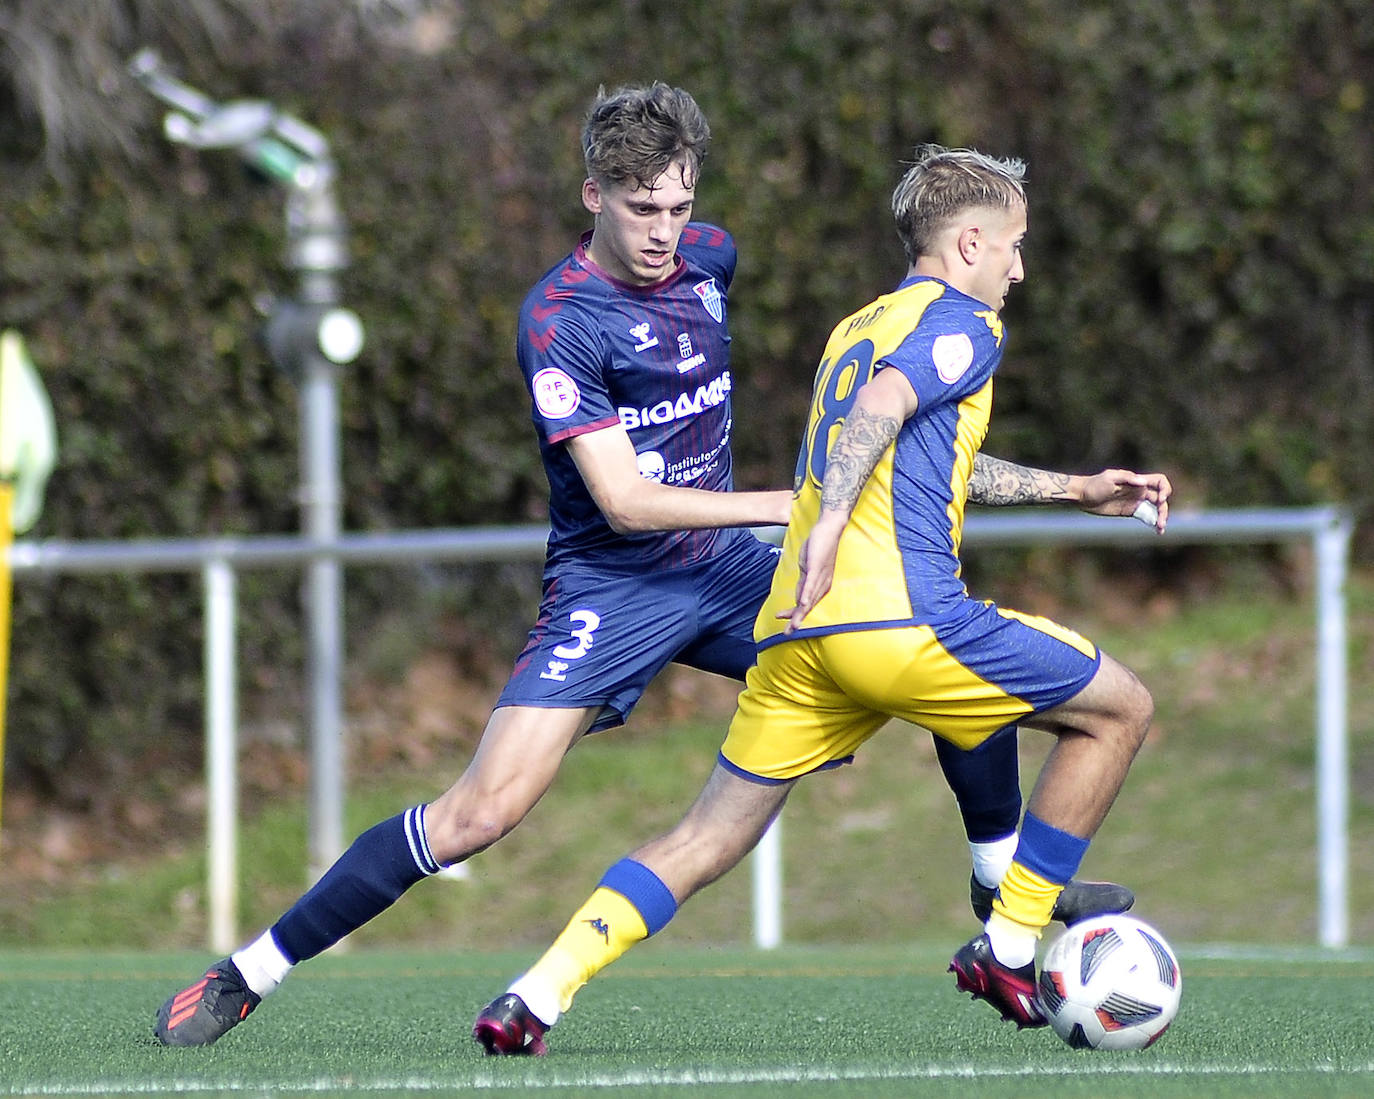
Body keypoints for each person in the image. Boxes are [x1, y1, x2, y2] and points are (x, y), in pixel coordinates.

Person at [153, 89, 1115, 1047]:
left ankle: (998, 878)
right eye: (640, 208)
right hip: (614, 584)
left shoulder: (710, 259)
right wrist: (791, 505)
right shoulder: (559, 319)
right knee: (480, 812)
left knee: (916, 621)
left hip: (729, 571)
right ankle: (250, 972)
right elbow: (622, 501)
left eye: (678, 206)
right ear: (592, 195)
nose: (664, 232)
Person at [472, 143, 1171, 1056]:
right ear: (968, 244)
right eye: (1014, 246)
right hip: (899, 621)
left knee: (707, 836)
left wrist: (1074, 489)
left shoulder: (858, 327)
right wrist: (832, 519)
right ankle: (1007, 937)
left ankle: (534, 995)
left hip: (801, 635)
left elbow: (925, 447)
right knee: (1121, 710)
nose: (1019, 266)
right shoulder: (969, 322)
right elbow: (884, 409)